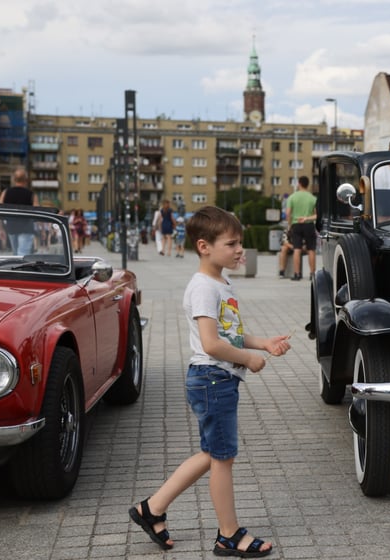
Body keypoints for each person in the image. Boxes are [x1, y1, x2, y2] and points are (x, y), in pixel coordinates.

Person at [128, 206, 291, 557]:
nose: (239, 250)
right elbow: (211, 344)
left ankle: (152, 508)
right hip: (212, 379)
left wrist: (263, 344)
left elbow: (230, 335)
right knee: (222, 458)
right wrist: (248, 359)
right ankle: (229, 535)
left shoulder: (221, 282)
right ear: (204, 246)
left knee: (213, 453)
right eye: (231, 244)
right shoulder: (203, 287)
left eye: (239, 243)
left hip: (217, 380)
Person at [0, 167, 39, 255]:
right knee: (22, 254)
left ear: (14, 179)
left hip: (11, 227)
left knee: (16, 253)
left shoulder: (6, 192)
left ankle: (17, 263)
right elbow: (38, 212)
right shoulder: (31, 194)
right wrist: (41, 229)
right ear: (26, 180)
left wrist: (1, 228)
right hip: (26, 228)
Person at [285, 176, 317, 281]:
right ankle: (312, 274)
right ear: (308, 184)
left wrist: (290, 225)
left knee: (297, 249)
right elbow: (317, 215)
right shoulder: (313, 198)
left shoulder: (292, 197)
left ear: (299, 183)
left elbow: (288, 213)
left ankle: (297, 274)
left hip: (296, 224)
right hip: (309, 225)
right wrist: (307, 218)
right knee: (311, 249)